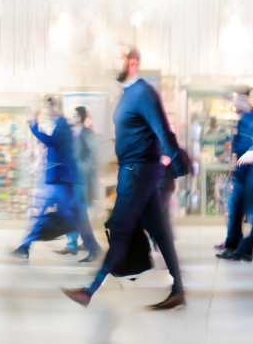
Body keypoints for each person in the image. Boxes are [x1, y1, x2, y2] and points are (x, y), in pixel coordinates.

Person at [61, 46, 188, 310]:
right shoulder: (128, 94)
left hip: (138, 172)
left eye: (116, 58)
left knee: (119, 229)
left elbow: (163, 131)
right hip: (136, 171)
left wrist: (178, 164)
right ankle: (179, 291)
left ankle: (89, 290)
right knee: (161, 233)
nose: (111, 62)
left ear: (132, 61)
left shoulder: (143, 93)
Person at [13, 98, 101, 260]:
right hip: (58, 180)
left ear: (55, 108)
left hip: (60, 181)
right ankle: (25, 247)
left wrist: (34, 122)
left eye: (48, 107)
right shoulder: (61, 125)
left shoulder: (62, 125)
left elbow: (50, 141)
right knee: (68, 217)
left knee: (71, 217)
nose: (46, 110)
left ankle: (26, 247)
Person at [215, 91, 253, 255]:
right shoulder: (242, 120)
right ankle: (234, 245)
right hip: (242, 175)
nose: (236, 105)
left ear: (247, 100)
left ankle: (241, 246)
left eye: (239, 101)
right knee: (236, 211)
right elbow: (237, 145)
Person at [55, 106, 99, 258]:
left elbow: (94, 154)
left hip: (81, 181)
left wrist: (82, 167)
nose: (72, 118)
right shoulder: (73, 133)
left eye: (74, 115)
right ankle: (72, 245)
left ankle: (92, 248)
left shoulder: (87, 133)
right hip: (71, 180)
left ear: (79, 117)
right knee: (71, 212)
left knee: (80, 215)